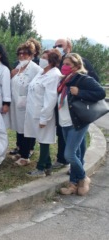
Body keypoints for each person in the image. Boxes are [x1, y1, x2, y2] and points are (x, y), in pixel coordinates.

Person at [57, 53, 105, 196]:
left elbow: (101, 93)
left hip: (77, 122)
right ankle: (73, 183)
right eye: (63, 64)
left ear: (77, 66)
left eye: (68, 65)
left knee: (69, 155)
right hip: (64, 121)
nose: (64, 67)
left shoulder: (83, 79)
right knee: (76, 153)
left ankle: (83, 178)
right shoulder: (64, 80)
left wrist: (80, 92)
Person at [52, 38, 100, 170]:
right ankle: (75, 176)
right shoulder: (62, 71)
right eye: (55, 45)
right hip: (65, 116)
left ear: (69, 46)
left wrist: (80, 92)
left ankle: (80, 173)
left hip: (77, 115)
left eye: (60, 45)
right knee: (74, 147)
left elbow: (96, 85)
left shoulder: (81, 63)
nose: (57, 47)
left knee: (74, 149)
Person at [24, 49, 61, 176]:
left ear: (52, 61)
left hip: (43, 113)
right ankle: (48, 165)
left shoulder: (54, 75)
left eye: (45, 57)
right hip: (33, 111)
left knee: (44, 140)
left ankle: (40, 169)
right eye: (42, 56)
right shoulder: (41, 72)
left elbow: (50, 99)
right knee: (41, 139)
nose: (42, 59)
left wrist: (44, 118)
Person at [9, 42, 42, 166]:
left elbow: (37, 88)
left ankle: (25, 156)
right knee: (20, 129)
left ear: (32, 54)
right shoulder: (18, 67)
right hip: (18, 105)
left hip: (28, 105)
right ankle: (20, 151)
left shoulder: (35, 69)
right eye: (20, 53)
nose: (22, 56)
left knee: (27, 130)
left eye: (26, 53)